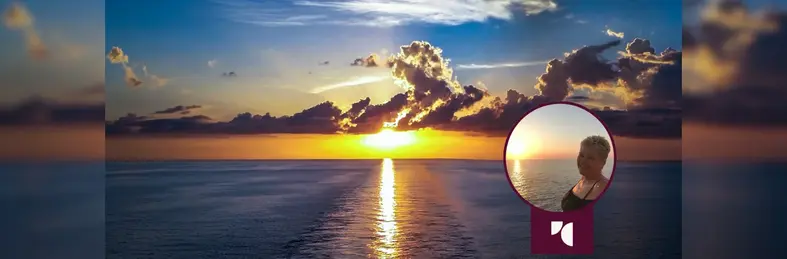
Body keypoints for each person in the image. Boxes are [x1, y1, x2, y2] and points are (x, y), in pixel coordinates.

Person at [560, 135, 611, 212]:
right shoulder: (584, 179)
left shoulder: (604, 189)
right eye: (581, 155)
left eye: (590, 158)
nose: (583, 161)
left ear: (602, 163)